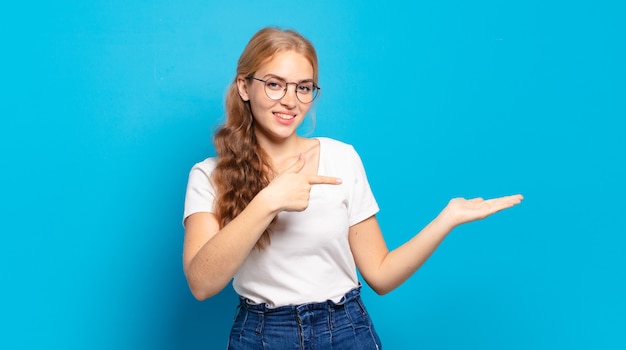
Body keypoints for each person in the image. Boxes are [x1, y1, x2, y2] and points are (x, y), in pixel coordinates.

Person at [182, 27, 523, 350]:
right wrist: (267, 201)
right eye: (274, 84)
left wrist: (446, 219)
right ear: (244, 86)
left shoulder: (341, 158)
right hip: (261, 335)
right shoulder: (209, 175)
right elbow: (201, 284)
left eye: (303, 87)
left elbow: (381, 274)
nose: (290, 100)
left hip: (344, 329)